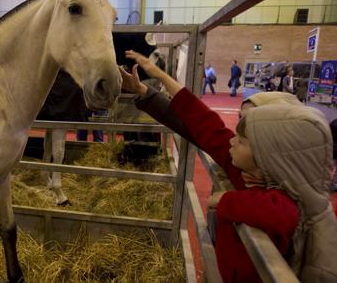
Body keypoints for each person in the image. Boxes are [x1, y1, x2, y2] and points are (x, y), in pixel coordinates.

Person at [120, 50, 337, 283]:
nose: (231, 138)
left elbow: (278, 212)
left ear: (269, 154)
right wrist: (156, 79)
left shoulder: (299, 213)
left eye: (243, 138)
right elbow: (203, 122)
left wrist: (226, 200)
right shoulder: (248, 168)